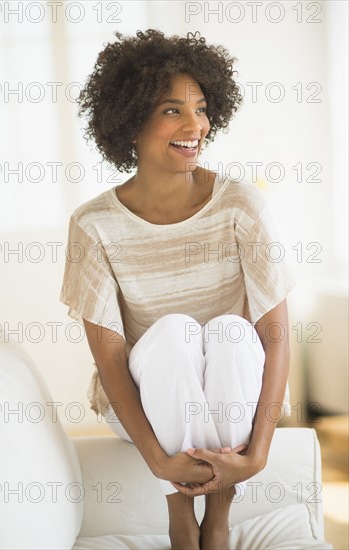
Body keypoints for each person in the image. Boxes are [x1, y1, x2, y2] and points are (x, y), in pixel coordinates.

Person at [60, 29, 296, 550]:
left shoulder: (241, 206)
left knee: (234, 333)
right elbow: (112, 359)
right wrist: (158, 461)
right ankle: (179, 509)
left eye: (202, 108)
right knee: (171, 335)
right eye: (172, 110)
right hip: (144, 404)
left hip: (228, 391)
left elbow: (274, 336)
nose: (197, 126)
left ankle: (219, 511)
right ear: (129, 121)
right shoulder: (93, 224)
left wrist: (257, 453)